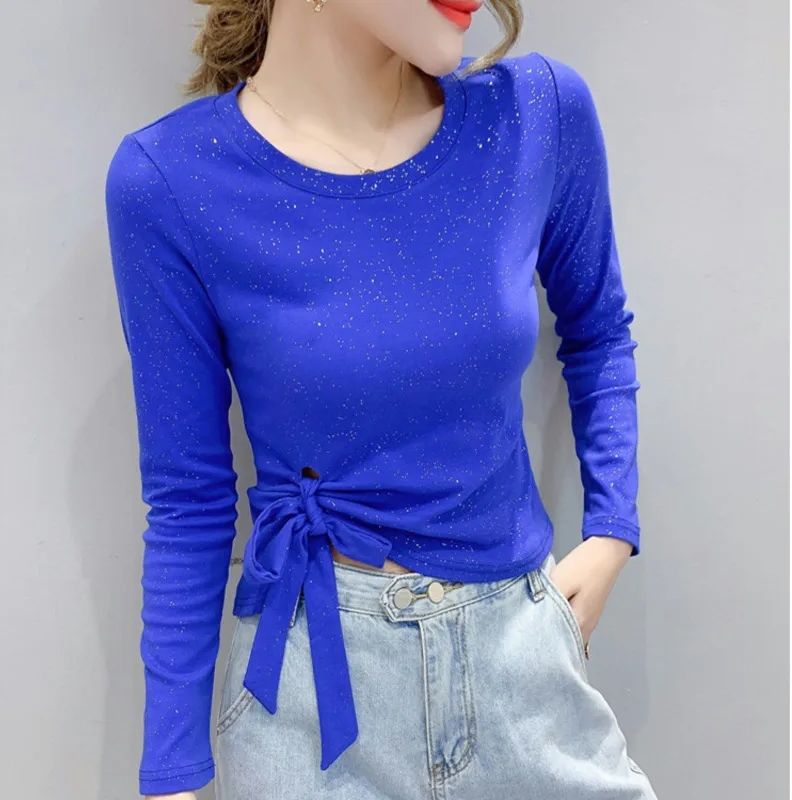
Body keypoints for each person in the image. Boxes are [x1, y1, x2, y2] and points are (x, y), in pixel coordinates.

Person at [104, 0, 659, 798]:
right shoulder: (171, 181)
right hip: (311, 700)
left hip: (521, 665)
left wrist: (611, 530)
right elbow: (188, 500)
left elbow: (598, 331)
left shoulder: (534, 114)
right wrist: (173, 776)